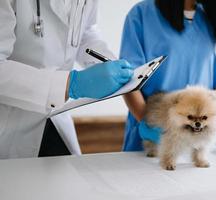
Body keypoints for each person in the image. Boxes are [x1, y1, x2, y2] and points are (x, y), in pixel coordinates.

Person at [0, 0, 133, 159]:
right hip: (9, 122)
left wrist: (107, 62)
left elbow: (85, 32)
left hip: (56, 115)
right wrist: (70, 84)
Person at [120, 0, 216, 151]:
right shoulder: (142, 14)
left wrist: (207, 102)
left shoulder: (215, 19)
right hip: (154, 139)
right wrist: (148, 124)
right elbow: (128, 79)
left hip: (204, 144)